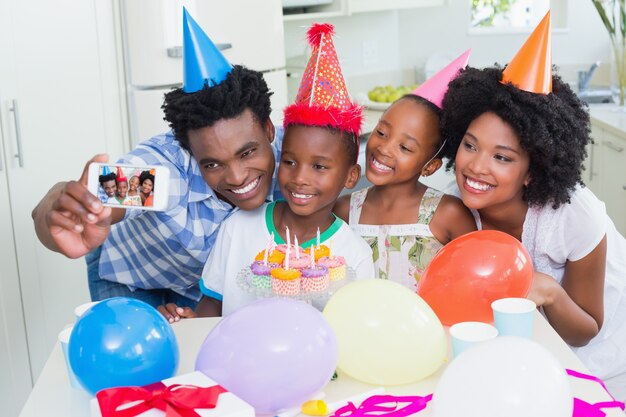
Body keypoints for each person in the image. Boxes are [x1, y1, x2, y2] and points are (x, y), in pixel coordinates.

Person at [31, 9, 282, 309]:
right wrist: (67, 212)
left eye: (247, 152)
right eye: (212, 163)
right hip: (130, 274)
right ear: (190, 150)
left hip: (199, 286)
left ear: (268, 129)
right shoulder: (168, 174)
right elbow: (94, 194)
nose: (238, 177)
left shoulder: (293, 159)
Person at [439, 12, 626, 399]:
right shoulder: (457, 204)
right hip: (533, 357)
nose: (476, 166)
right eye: (470, 145)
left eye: (502, 157)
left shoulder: (574, 215)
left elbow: (588, 328)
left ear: (532, 169)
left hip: (605, 361)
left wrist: (548, 291)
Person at [159, 23, 375, 320]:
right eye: (289, 162)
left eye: (319, 167)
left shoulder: (354, 255)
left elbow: (356, 332)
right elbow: (212, 307)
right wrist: (189, 322)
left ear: (351, 176)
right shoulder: (237, 228)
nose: (300, 177)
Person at [334, 51, 476, 290]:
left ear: (430, 166)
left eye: (405, 147)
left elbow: (471, 284)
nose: (384, 148)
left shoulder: (449, 214)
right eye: (381, 133)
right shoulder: (345, 210)